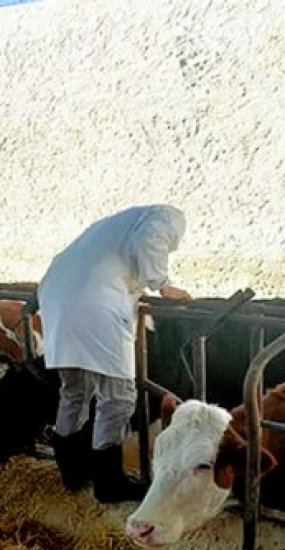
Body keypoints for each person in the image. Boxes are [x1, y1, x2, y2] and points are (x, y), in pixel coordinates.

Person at [37, 205, 191, 504]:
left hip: (58, 299)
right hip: (97, 302)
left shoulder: (107, 227)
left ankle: (72, 473)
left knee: (74, 392)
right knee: (118, 397)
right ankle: (110, 483)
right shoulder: (166, 215)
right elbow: (152, 236)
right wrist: (163, 284)